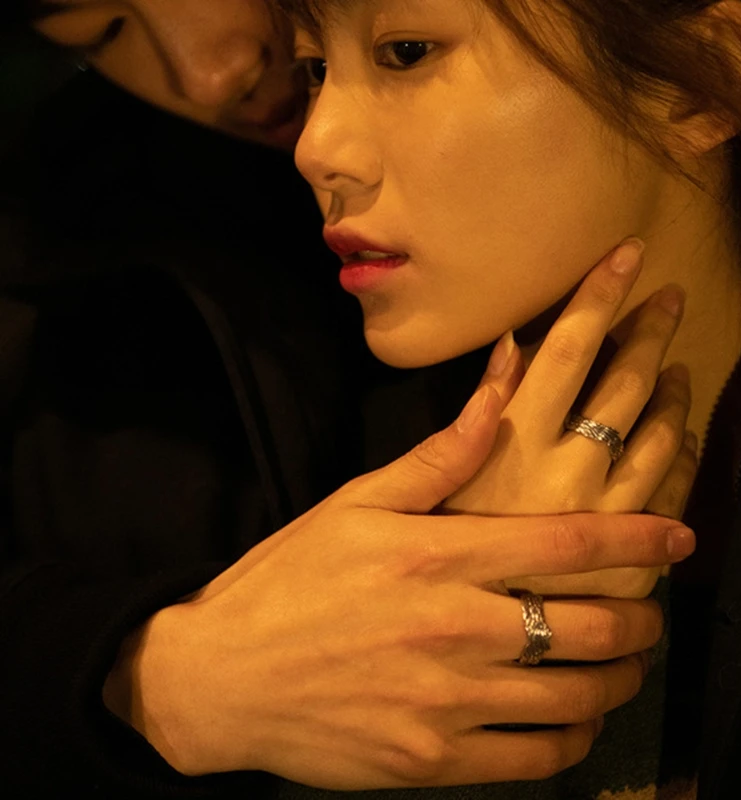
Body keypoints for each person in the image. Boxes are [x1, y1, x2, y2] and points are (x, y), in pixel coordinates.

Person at [0, 1, 698, 797]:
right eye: (103, 36)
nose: (210, 76)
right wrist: (151, 675)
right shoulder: (55, 277)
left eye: (406, 52)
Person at [276, 0, 741, 797]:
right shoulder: (320, 471)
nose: (316, 148)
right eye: (315, 68)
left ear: (703, 82)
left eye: (407, 52)